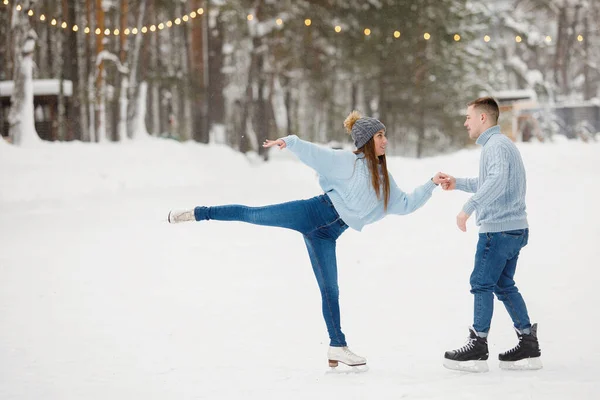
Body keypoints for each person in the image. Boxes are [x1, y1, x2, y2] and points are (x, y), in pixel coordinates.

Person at [168, 110, 446, 369]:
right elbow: (315, 154)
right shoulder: (347, 161)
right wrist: (290, 142)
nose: (385, 140)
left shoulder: (385, 180)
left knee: (330, 289)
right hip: (311, 213)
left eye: (385, 135)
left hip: (327, 235)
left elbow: (407, 204)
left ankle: (337, 346)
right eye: (380, 136)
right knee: (252, 214)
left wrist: (431, 183)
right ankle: (197, 213)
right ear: (366, 141)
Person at [441, 97, 542, 372]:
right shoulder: (502, 145)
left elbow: (495, 182)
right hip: (514, 228)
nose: (465, 123)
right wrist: (457, 183)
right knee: (503, 284)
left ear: (483, 118)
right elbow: (492, 181)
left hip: (497, 231)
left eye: (468, 117)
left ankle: (478, 345)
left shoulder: (495, 146)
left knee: (481, 283)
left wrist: (468, 208)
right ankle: (528, 343)